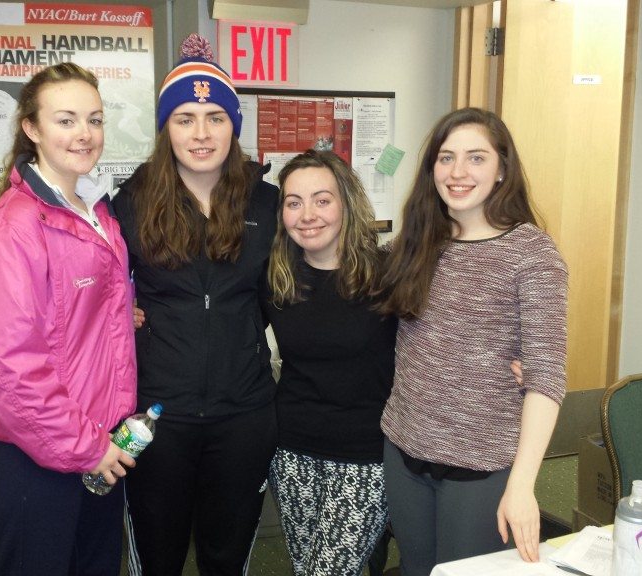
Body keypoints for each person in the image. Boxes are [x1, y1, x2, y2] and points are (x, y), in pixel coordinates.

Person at [111, 34, 279, 575]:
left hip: (243, 414)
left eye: (215, 118)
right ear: (167, 128)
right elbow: (99, 287)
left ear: (234, 126)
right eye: (185, 119)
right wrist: (119, 314)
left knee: (226, 558)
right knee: (156, 556)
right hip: (155, 418)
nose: (201, 134)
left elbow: (293, 294)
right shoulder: (130, 203)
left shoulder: (268, 204)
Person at [377, 107, 568, 575]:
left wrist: (522, 486)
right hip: (404, 451)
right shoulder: (416, 243)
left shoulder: (532, 253)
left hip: (481, 467)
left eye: (476, 158)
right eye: (446, 158)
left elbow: (547, 379)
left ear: (502, 169)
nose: (458, 172)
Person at [0, 62, 137, 576]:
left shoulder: (94, 212)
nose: (84, 133)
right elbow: (7, 365)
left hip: (99, 438)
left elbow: (69, 316)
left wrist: (118, 313)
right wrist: (86, 447)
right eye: (66, 120)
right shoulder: (14, 227)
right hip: (38, 451)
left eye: (94, 119)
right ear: (32, 129)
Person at [264, 150, 395, 575]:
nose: (307, 215)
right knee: (307, 568)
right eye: (294, 202)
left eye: (322, 200)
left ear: (346, 204)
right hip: (292, 450)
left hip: (366, 455)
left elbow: (446, 330)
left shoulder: (388, 275)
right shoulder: (276, 277)